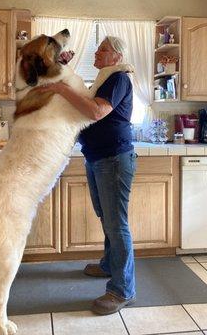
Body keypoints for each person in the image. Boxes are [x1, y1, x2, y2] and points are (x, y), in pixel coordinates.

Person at [37, 36, 136, 315]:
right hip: (98, 157)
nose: (97, 51)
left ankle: (122, 290)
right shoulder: (103, 80)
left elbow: (95, 111)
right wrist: (62, 69)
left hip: (114, 158)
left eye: (103, 48)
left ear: (116, 56)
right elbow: (85, 100)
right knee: (107, 217)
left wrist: (59, 87)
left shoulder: (119, 79)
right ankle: (109, 265)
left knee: (117, 224)